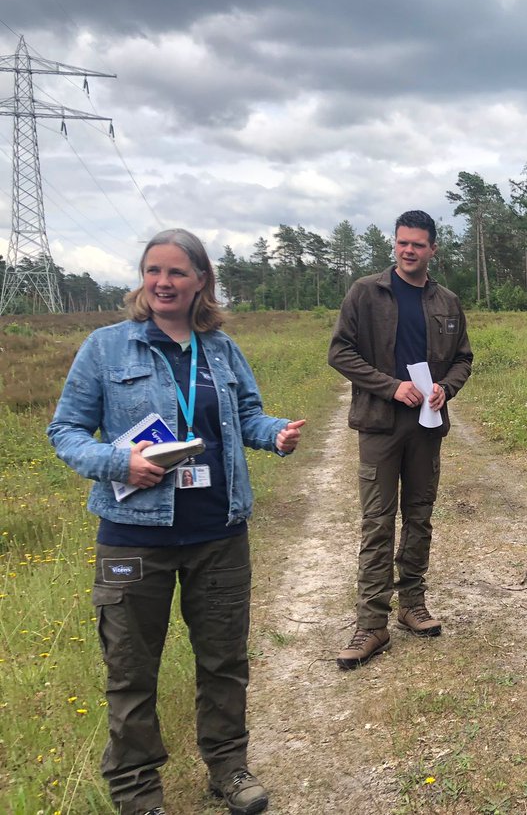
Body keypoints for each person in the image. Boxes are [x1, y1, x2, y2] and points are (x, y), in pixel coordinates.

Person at [48, 228, 305, 815]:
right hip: (133, 538)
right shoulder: (106, 348)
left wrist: (277, 434)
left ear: (201, 282)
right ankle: (138, 793)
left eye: (176, 273)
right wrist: (118, 460)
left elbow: (246, 417)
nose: (162, 282)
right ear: (143, 279)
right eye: (152, 271)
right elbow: (65, 432)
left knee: (224, 660)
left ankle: (228, 769)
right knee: (131, 669)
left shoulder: (221, 349)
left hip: (219, 534)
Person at [329, 210, 472, 669]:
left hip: (427, 426)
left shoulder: (447, 301)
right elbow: (340, 352)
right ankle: (372, 624)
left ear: (433, 249)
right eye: (401, 243)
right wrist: (390, 386)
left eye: (417, 244)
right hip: (379, 424)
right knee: (377, 522)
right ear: (395, 245)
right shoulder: (366, 292)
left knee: (420, 515)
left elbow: (464, 359)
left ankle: (412, 605)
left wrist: (445, 388)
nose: (408, 250)